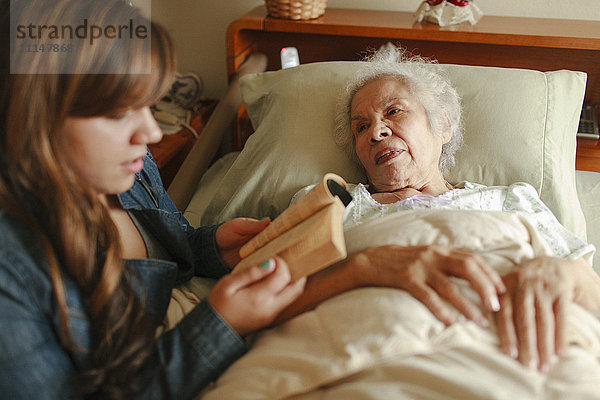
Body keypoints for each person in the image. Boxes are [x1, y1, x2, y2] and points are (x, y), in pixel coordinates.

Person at [0, 1, 304, 398]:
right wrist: (219, 328)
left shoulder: (132, 168)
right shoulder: (12, 270)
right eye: (119, 112)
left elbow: (171, 248)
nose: (152, 133)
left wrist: (212, 247)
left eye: (148, 103)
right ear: (37, 117)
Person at [279, 44, 600, 374]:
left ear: (443, 126)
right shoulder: (331, 202)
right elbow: (271, 301)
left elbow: (593, 295)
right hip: (374, 358)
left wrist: (563, 272)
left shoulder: (511, 201)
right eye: (361, 127)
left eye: (393, 112)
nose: (376, 132)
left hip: (511, 354)